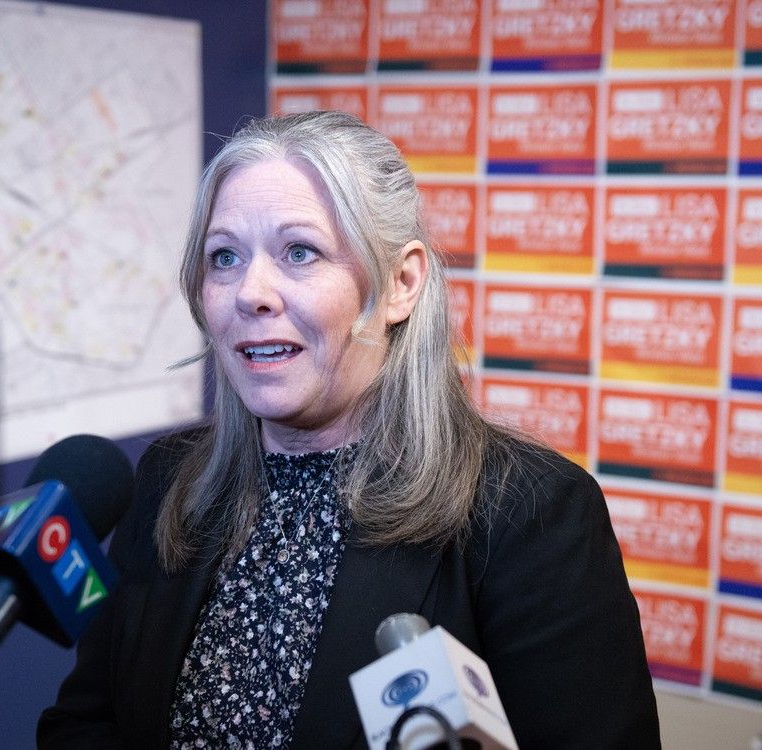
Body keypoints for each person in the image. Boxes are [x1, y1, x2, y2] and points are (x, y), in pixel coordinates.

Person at [37, 111, 660, 749]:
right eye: (224, 257)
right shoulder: (170, 480)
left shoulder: (531, 512)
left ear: (401, 283)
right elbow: (86, 723)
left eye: (299, 252)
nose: (251, 291)